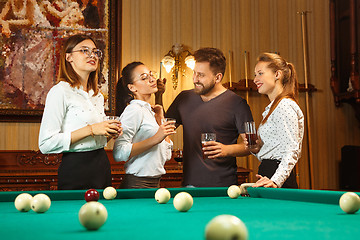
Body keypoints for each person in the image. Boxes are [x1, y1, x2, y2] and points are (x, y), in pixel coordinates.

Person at [158, 47, 253, 187]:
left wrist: (226, 150)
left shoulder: (237, 104)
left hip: (223, 186)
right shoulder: (184, 98)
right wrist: (158, 95)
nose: (195, 79)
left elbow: (252, 146)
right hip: (189, 185)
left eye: (201, 75)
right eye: (194, 73)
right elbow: (162, 128)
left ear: (218, 77)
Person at [39, 34, 122, 190]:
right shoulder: (60, 92)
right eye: (84, 50)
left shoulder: (97, 95)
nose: (92, 55)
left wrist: (109, 133)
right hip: (76, 168)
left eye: (96, 52)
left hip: (102, 164)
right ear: (69, 57)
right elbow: (45, 144)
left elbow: (99, 139)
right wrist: (91, 129)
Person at [113, 62, 175, 189]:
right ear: (132, 88)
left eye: (151, 75)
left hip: (155, 183)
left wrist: (160, 120)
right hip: (137, 184)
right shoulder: (134, 110)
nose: (152, 79)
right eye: (144, 77)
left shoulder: (150, 112)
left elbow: (167, 155)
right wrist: (156, 138)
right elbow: (118, 153)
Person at [247, 52, 304, 188]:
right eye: (255, 74)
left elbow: (292, 150)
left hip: (277, 177)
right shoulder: (274, 107)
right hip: (269, 173)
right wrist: (256, 149)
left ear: (277, 75)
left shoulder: (284, 105)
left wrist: (275, 181)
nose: (255, 79)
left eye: (260, 73)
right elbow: (274, 151)